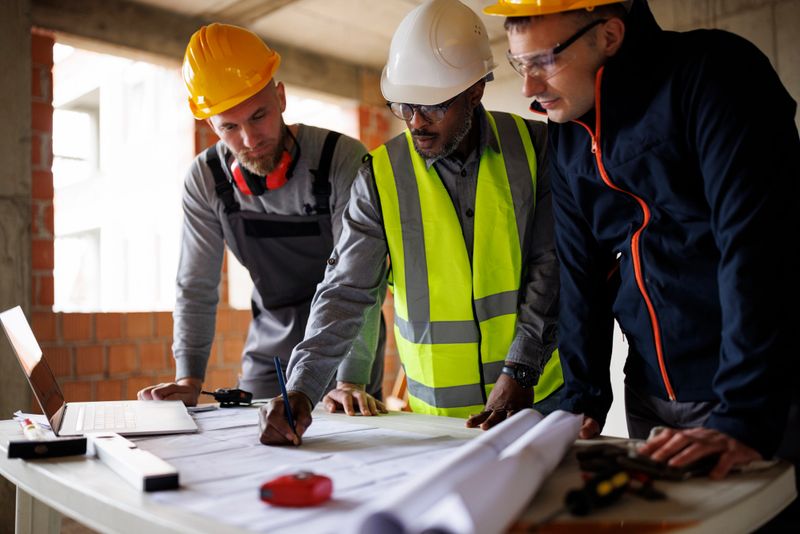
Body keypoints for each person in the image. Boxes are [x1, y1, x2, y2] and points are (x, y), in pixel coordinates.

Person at [485, 0, 800, 512]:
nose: (528, 88)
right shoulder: (567, 140)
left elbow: (755, 246)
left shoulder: (713, 74)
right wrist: (582, 399)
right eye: (521, 65)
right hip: (651, 397)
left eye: (544, 60)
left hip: (762, 392)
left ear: (608, 35)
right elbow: (580, 272)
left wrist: (745, 416)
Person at [260, 0, 564, 446]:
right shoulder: (379, 177)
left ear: (475, 91)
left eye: (433, 106)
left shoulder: (536, 148)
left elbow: (550, 267)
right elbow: (346, 290)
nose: (416, 122)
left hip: (538, 400)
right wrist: (302, 386)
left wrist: (522, 369)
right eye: (404, 105)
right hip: (434, 425)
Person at [137, 23, 385, 405]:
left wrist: (351, 381)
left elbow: (359, 279)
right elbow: (196, 287)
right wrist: (188, 377)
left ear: (281, 97)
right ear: (210, 126)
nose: (250, 140)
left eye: (258, 116)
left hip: (347, 341)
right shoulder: (206, 181)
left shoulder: (342, 160)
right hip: (270, 349)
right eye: (230, 127)